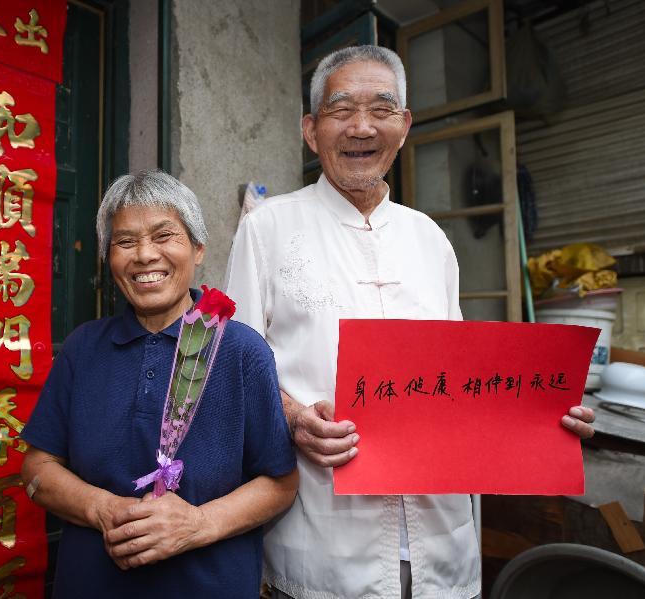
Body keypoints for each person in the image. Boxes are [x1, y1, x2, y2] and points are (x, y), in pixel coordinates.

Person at [224, 45, 596, 599]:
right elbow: (234, 370)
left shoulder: (431, 240)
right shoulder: (268, 229)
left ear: (405, 125)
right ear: (310, 129)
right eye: (341, 109)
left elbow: (460, 381)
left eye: (381, 108)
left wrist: (541, 417)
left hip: (442, 545)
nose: (360, 126)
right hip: (322, 543)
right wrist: (296, 417)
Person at [20, 170, 298, 597]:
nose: (145, 255)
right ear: (108, 258)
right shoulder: (83, 348)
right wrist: (104, 509)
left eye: (164, 236)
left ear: (199, 248)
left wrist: (197, 525)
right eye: (125, 242)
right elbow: (38, 468)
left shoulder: (243, 351)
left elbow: (280, 483)